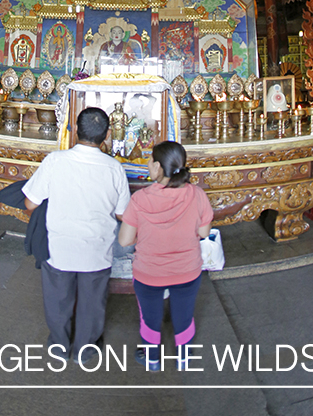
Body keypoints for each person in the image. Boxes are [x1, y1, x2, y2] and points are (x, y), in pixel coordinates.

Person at [23, 106, 130, 364]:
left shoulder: (55, 161)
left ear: (75, 131)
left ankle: (59, 346)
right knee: (93, 303)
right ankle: (86, 348)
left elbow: (29, 203)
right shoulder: (114, 168)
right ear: (106, 135)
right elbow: (123, 213)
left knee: (58, 299)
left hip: (60, 247)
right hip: (97, 250)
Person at [118, 141, 213, 371]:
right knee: (184, 315)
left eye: (150, 161)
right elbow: (203, 232)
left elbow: (124, 241)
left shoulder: (141, 199)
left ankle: (152, 359)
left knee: (150, 319)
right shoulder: (197, 194)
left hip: (149, 272)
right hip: (188, 270)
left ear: (158, 167)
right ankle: (183, 358)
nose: (149, 165)